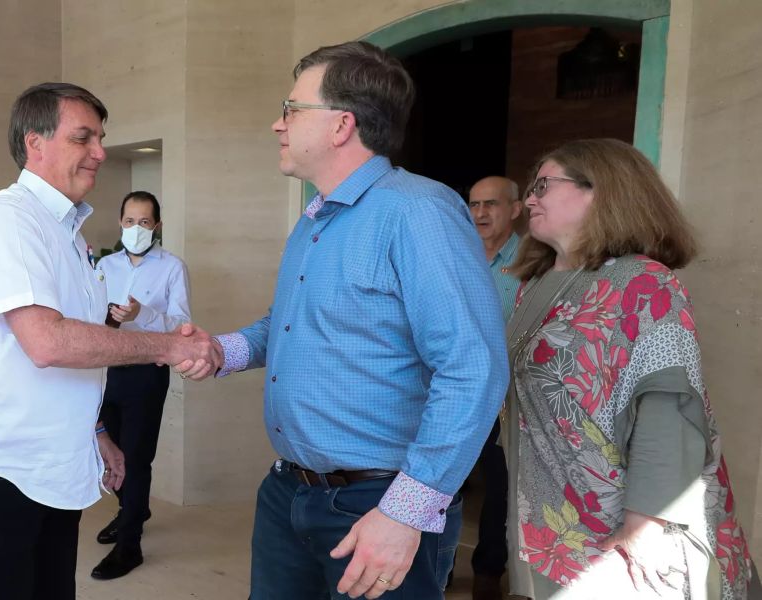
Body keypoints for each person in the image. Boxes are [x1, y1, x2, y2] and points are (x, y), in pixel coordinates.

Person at [177, 41, 508, 599]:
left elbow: (474, 368)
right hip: (288, 492)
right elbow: (286, 324)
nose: (276, 125)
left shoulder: (417, 211)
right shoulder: (314, 219)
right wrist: (221, 351)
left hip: (378, 503)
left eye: (291, 109)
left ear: (340, 125)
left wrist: (404, 515)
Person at [0, 82, 215, 600]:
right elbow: (48, 342)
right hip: (6, 469)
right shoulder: (8, 220)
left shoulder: (66, 233)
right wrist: (169, 346)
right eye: (83, 137)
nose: (101, 152)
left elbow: (81, 348)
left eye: (100, 138)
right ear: (34, 144)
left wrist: (97, 431)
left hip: (55, 460)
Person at [504, 138, 753, 598]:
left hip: (620, 528)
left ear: (602, 190)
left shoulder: (643, 283)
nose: (529, 199)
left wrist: (643, 529)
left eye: (543, 184)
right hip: (548, 519)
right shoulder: (534, 285)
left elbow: (668, 412)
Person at [90, 190, 191, 579]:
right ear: (120, 223)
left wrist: (141, 313)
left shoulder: (172, 267)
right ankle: (133, 507)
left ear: (158, 227)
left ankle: (129, 546)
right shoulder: (103, 265)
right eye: (129, 221)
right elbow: (89, 314)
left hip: (146, 372)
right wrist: (110, 319)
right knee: (108, 451)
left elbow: (181, 323)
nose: (136, 229)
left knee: (135, 458)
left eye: (145, 222)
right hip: (105, 368)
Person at [457, 176, 522, 599]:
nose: (480, 213)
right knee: (440, 482)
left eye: (491, 205)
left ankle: (488, 574)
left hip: (506, 395)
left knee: (500, 488)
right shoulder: (456, 254)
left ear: (515, 209)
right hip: (452, 391)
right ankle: (437, 566)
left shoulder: (538, 260)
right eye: (474, 204)